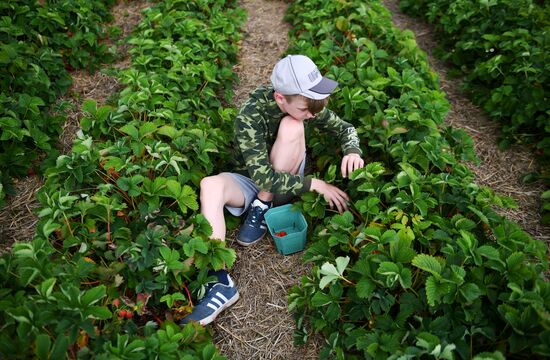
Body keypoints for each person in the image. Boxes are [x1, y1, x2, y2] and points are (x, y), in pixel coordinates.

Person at [180, 54, 365, 326]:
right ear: (281, 98)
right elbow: (262, 174)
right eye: (306, 108)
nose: (313, 114)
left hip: (286, 173)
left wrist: (352, 149)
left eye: (316, 105)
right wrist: (316, 184)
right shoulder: (250, 116)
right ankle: (218, 280)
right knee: (210, 184)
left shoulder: (305, 102)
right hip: (254, 178)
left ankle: (263, 204)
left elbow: (344, 128)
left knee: (292, 125)